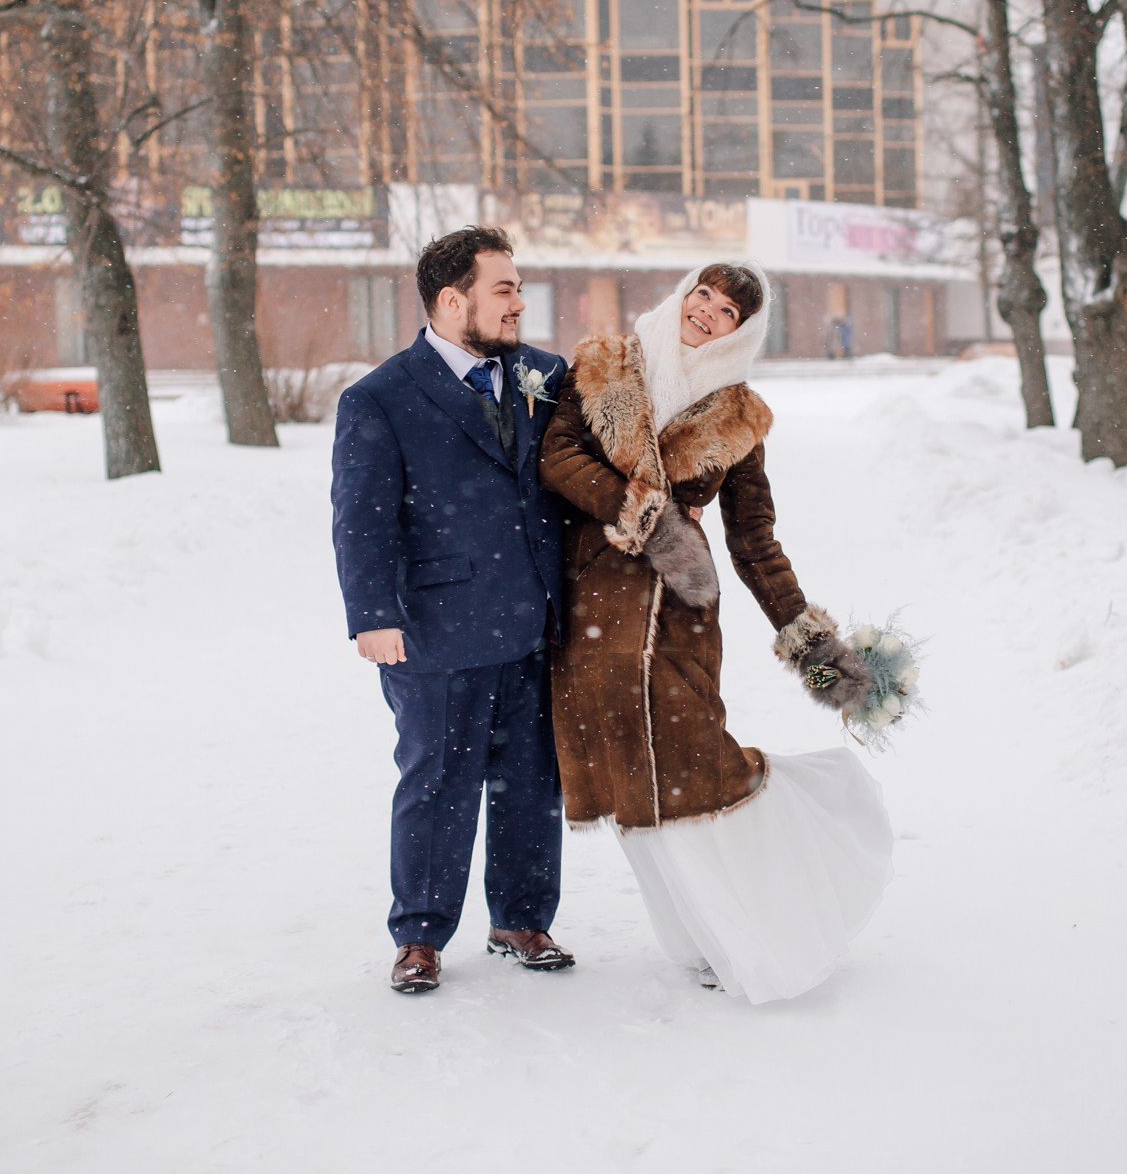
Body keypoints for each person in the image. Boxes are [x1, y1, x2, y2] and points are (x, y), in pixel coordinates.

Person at [539, 262, 894, 1004]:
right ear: (682, 293)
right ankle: (695, 939)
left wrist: (819, 656)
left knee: (699, 777)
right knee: (632, 790)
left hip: (677, 623)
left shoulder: (739, 419)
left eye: (727, 309)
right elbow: (558, 457)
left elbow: (756, 542)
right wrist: (647, 515)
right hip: (592, 618)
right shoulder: (603, 365)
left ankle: (747, 927)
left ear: (743, 331)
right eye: (702, 293)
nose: (707, 311)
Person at [330, 226, 575, 994]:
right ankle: (421, 935)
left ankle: (522, 917)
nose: (519, 303)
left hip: (534, 619)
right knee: (438, 780)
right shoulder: (379, 397)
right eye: (503, 289)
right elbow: (360, 517)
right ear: (450, 299)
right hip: (435, 628)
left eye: (517, 287)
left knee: (533, 780)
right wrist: (373, 613)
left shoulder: (546, 375)